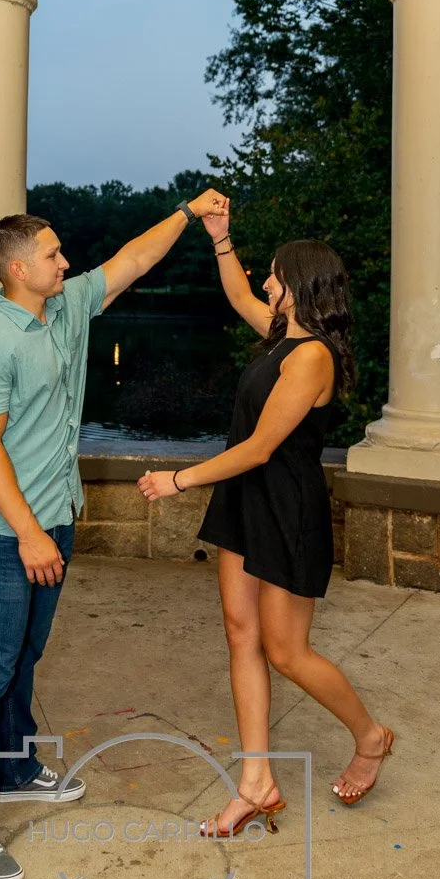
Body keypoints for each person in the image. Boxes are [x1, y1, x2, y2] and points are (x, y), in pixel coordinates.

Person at [0, 188, 228, 879]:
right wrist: (31, 534)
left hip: (54, 521)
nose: (66, 262)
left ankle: (11, 769)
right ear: (17, 270)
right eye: (53, 255)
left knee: (24, 657)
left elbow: (133, 259)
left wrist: (189, 214)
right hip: (8, 535)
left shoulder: (65, 310)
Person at [138, 201, 394, 836]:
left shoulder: (312, 358)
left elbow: (259, 448)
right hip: (246, 501)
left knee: (286, 650)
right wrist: (220, 238)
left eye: (276, 277)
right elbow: (236, 296)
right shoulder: (284, 336)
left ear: (301, 285)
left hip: (286, 507)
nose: (267, 285)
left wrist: (178, 479)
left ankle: (371, 736)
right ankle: (257, 782)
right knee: (240, 635)